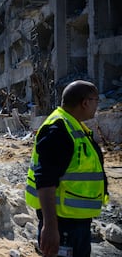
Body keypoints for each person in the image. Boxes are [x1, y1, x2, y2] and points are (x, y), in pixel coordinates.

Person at [25, 80, 108, 257]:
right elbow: (45, 180)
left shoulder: (73, 125)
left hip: (75, 221)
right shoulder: (58, 129)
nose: (97, 106)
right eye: (96, 101)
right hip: (63, 224)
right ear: (85, 102)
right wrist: (50, 227)